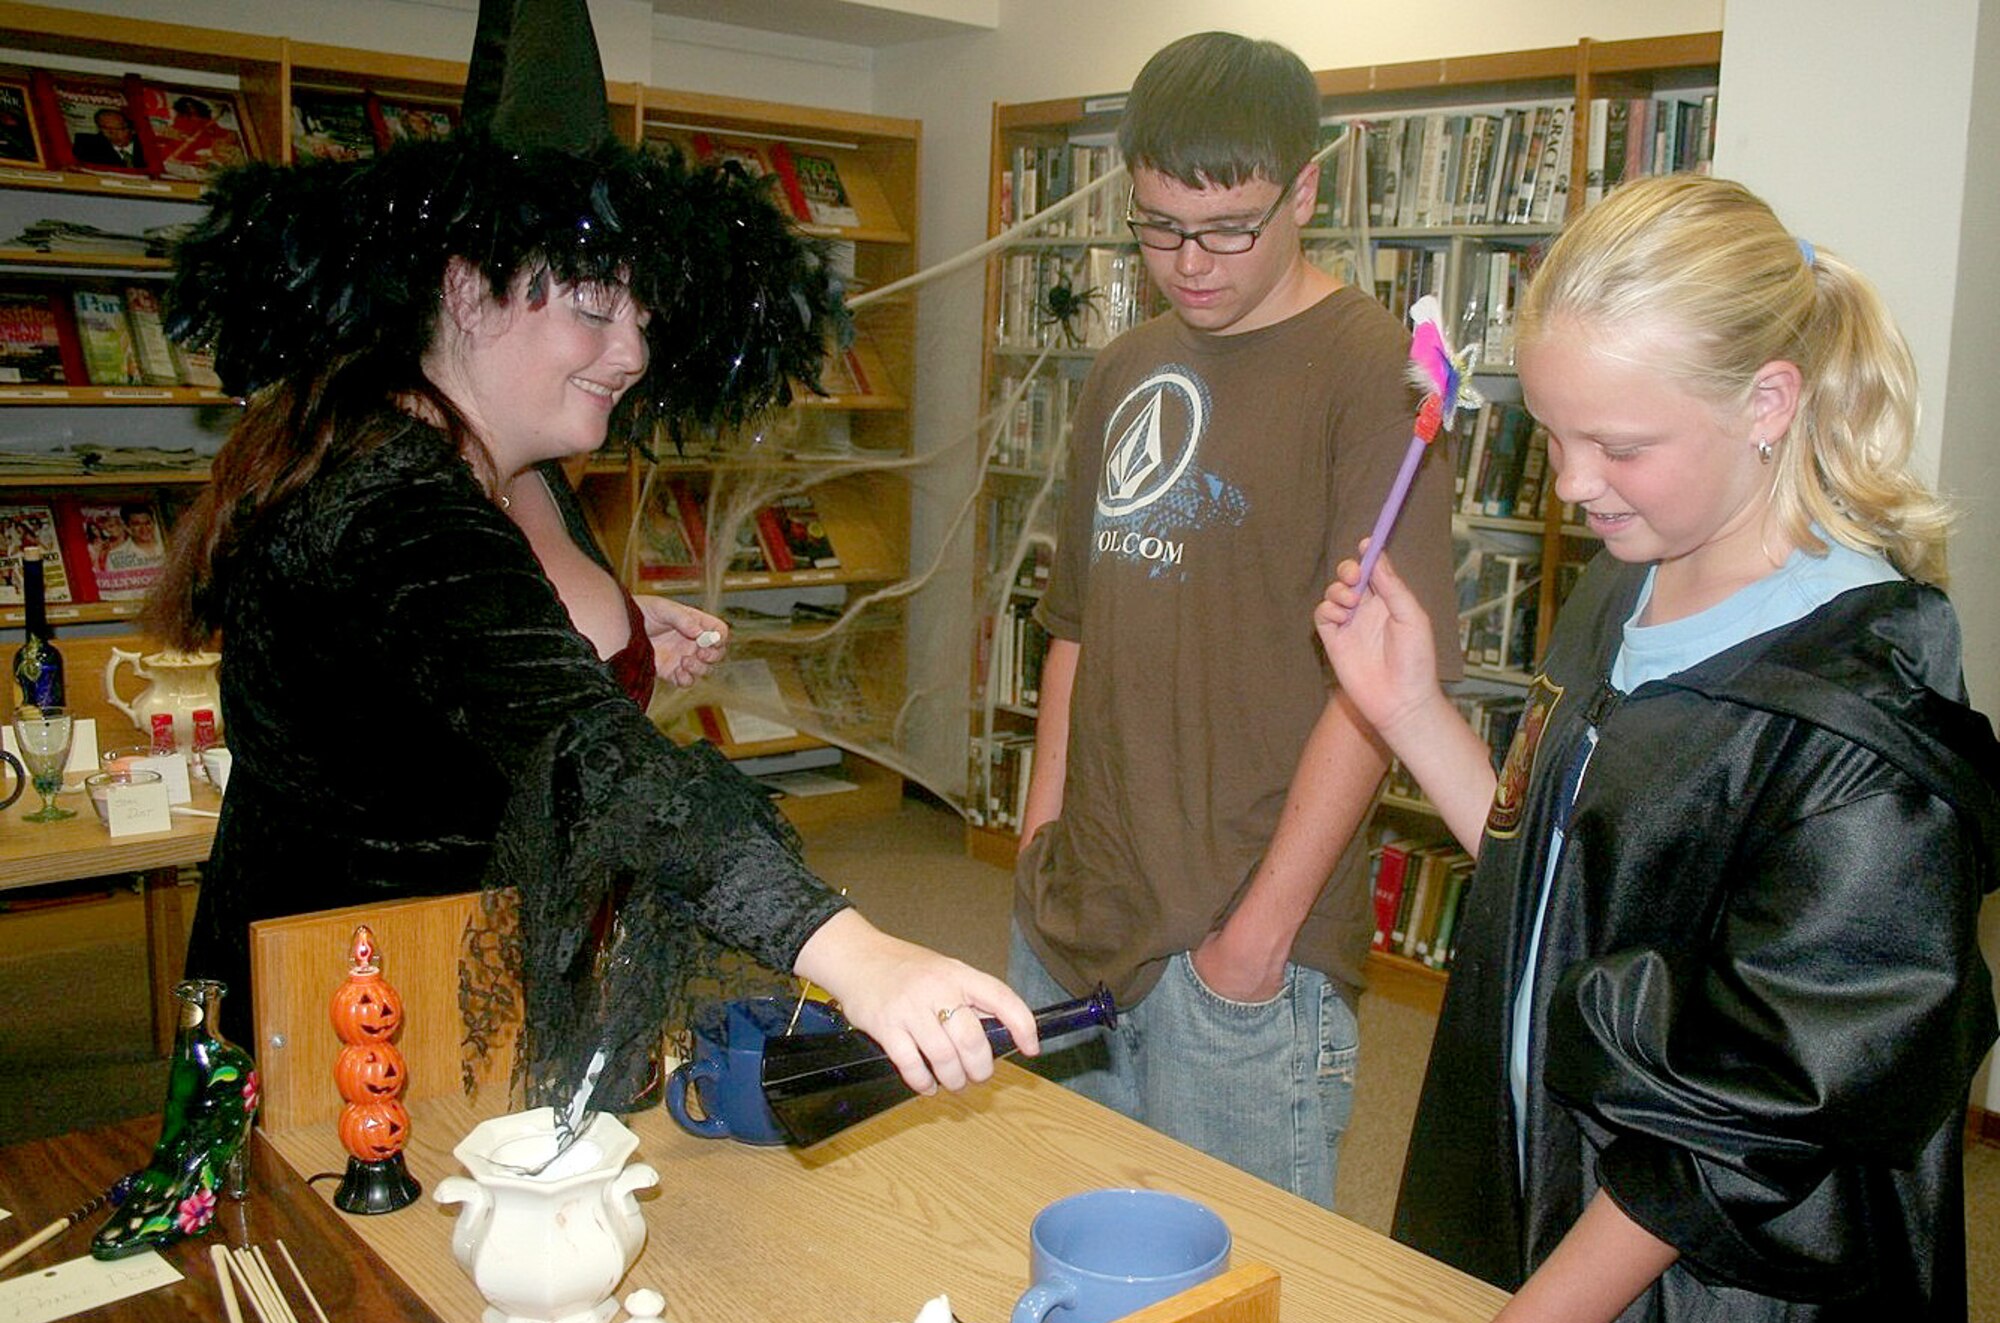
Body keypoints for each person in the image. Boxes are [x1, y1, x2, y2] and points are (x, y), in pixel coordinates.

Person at [146, 0, 1038, 1120]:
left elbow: (479, 675)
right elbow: (580, 755)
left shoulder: (514, 459)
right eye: (591, 308)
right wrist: (855, 955)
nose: (632, 352)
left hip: (504, 986)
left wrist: (621, 624)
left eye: (642, 315)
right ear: (466, 290)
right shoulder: (387, 501)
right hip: (364, 1014)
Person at [1314, 173, 1999, 1323]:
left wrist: (1539, 1315)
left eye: (1618, 446)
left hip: (1709, 1279)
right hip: (1546, 1190)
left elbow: (1755, 1112)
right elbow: (1560, 888)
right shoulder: (1620, 589)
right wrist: (1411, 714)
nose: (1573, 485)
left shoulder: (1859, 711)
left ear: (1765, 402)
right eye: (1552, 437)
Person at [1008, 30, 1461, 1207]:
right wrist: (1037, 829)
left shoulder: (1376, 377)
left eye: (1226, 228)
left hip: (1239, 951)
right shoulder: (1124, 366)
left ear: (1304, 188)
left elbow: (1384, 691)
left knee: (1239, 1283)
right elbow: (1075, 622)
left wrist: (1253, 945)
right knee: (1071, 1249)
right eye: (1156, 227)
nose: (1187, 263)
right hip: (1074, 912)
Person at [71, 107, 143, 171]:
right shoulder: (87, 146)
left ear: (132, 129)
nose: (112, 133)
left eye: (118, 128)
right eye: (106, 128)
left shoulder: (146, 146)